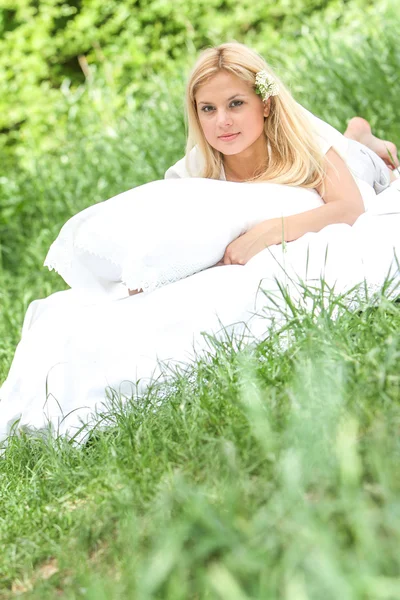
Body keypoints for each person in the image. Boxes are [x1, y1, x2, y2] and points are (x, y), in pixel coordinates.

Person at [165, 42, 399, 267]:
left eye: (236, 104)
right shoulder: (189, 174)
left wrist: (271, 231)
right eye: (208, 109)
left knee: (370, 167)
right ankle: (352, 134)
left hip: (355, 165)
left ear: (265, 105)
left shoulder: (301, 141)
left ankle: (360, 137)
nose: (222, 121)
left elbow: (350, 208)